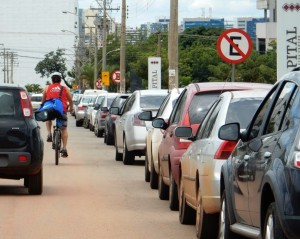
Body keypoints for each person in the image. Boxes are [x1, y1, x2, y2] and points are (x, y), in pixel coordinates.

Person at [42, 72, 73, 158]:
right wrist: (70, 108)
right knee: (64, 129)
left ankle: (49, 133)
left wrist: (42, 106)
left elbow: (43, 100)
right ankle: (64, 148)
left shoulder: (47, 88)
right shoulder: (65, 88)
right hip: (61, 110)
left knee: (48, 118)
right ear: (60, 81)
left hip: (50, 109)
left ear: (52, 81)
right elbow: (70, 101)